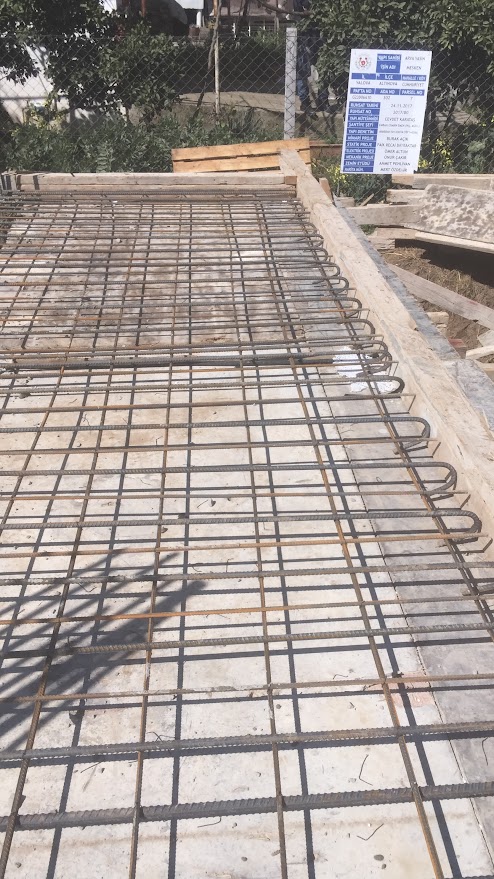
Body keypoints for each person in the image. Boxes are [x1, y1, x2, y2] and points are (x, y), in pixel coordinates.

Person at [291, 0, 329, 116]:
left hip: (319, 33)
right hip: (303, 34)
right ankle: (305, 101)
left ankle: (323, 100)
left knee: (323, 67)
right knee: (302, 69)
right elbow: (300, 10)